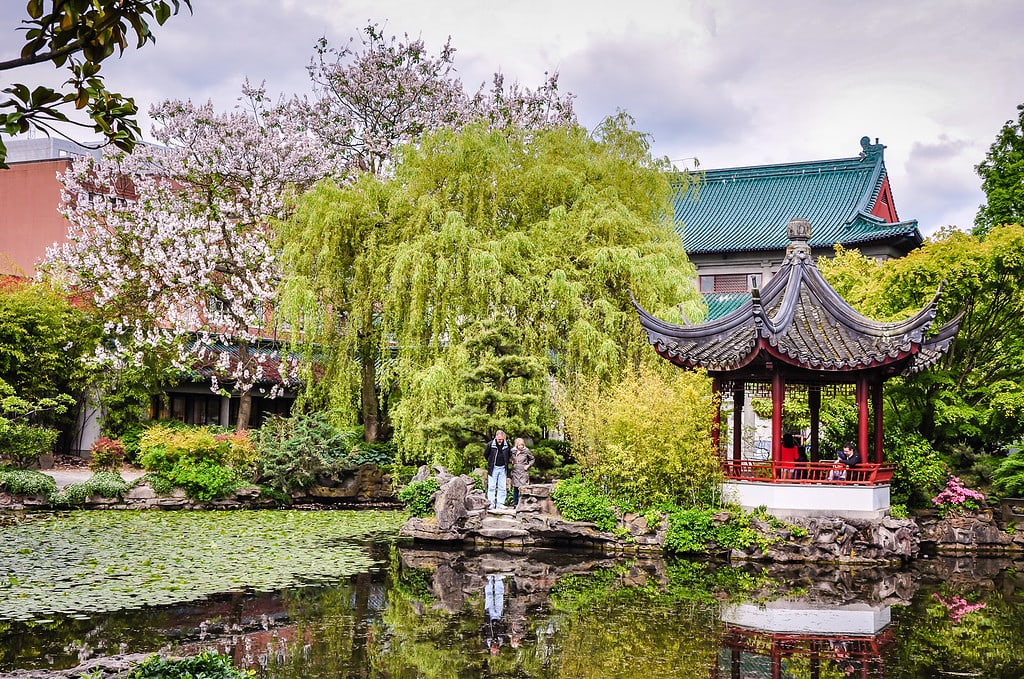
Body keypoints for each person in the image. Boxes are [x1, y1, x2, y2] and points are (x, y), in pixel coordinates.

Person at [484, 430, 512, 509]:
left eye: (501, 439)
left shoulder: (507, 445)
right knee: (492, 486)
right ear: (496, 437)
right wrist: (490, 462)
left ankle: (500, 503)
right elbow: (486, 454)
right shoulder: (490, 445)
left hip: (503, 468)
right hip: (493, 468)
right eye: (499, 439)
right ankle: (491, 503)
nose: (500, 441)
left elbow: (509, 455)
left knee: (502, 486)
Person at [509, 437, 535, 507]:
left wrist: (528, 465)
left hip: (523, 472)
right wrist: (512, 461)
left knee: (523, 488)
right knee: (515, 488)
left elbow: (532, 459)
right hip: (515, 472)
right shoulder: (513, 451)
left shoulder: (526, 451)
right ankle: (515, 503)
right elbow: (509, 459)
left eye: (522, 445)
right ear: (516, 445)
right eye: (519, 445)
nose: (521, 446)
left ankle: (522, 504)